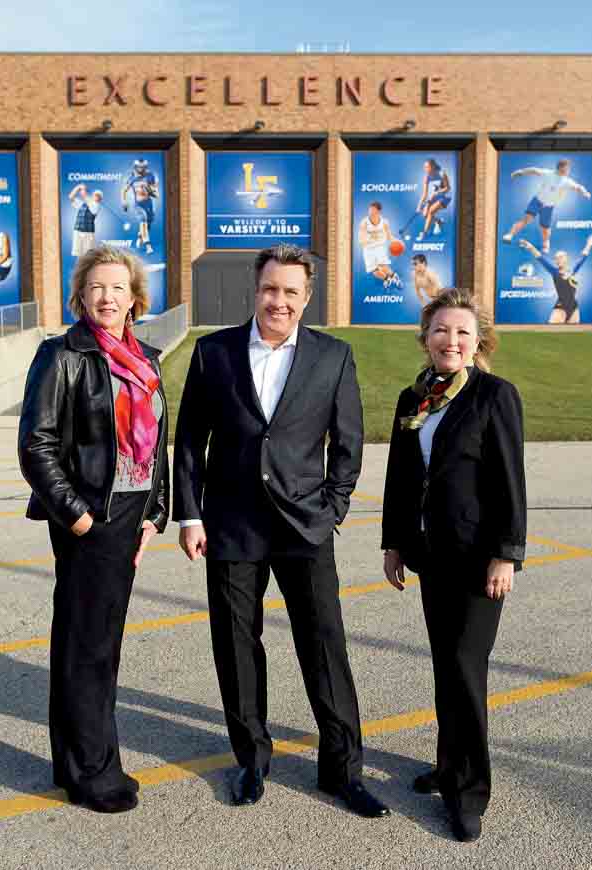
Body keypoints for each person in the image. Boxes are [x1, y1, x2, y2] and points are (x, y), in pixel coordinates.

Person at [174, 243, 388, 819]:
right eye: (271, 289)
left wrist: (333, 508)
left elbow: (349, 442)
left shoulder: (332, 356)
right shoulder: (212, 352)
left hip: (304, 526)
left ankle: (342, 770)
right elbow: (190, 442)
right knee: (237, 646)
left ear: (306, 297)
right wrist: (190, 515)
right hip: (231, 523)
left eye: (292, 292)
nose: (280, 301)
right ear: (256, 289)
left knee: (324, 646)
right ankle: (251, 760)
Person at [18, 244, 170, 815]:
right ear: (80, 295)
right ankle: (92, 772)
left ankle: (76, 760)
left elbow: (159, 443)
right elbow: (36, 443)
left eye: (118, 287)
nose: (107, 297)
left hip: (131, 515)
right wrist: (77, 515)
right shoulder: (62, 355)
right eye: (96, 287)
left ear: (135, 298)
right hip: (90, 517)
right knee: (89, 646)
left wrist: (156, 514)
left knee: (96, 641)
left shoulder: (147, 359)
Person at [380, 287, 526, 843]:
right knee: (447, 666)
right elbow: (400, 476)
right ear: (426, 338)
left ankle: (468, 792)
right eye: (442, 330)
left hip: (477, 560)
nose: (452, 340)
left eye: (463, 332)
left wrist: (506, 553)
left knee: (466, 671)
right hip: (431, 556)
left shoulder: (494, 396)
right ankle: (447, 767)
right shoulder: (413, 397)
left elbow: (510, 480)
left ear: (479, 342)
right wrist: (394, 542)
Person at [501, 158, 591, 252]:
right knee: (526, 220)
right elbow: (534, 170)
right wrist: (521, 172)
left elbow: (578, 187)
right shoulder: (548, 173)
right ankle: (510, 235)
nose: (568, 171)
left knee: (544, 228)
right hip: (537, 201)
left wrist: (585, 192)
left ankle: (546, 243)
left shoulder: (567, 181)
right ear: (560, 168)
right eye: (567, 169)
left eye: (569, 169)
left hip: (548, 207)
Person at [518, 234, 592, 324]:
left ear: (566, 259)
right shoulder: (555, 272)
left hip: (574, 308)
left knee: (573, 336)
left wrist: (589, 244)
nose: (558, 260)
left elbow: (583, 257)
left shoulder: (573, 271)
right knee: (551, 332)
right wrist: (530, 247)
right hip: (560, 308)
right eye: (556, 258)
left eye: (560, 257)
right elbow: (540, 258)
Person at [358, 201, 403, 290]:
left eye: (373, 210)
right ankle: (387, 279)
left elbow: (389, 236)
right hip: (368, 249)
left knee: (382, 265)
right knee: (374, 271)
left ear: (378, 211)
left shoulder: (384, 222)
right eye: (369, 210)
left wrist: (397, 241)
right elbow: (361, 238)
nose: (370, 212)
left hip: (380, 247)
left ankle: (396, 278)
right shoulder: (364, 222)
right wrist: (366, 240)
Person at [122, 159, 158, 256]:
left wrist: (150, 190)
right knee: (143, 222)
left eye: (143, 167)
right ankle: (148, 246)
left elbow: (156, 193)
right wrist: (124, 201)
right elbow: (124, 190)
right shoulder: (131, 177)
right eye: (139, 167)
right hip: (138, 205)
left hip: (148, 204)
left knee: (148, 224)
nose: (141, 169)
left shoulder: (150, 176)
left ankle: (140, 236)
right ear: (135, 167)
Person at [416, 158, 452, 240]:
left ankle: (424, 233)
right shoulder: (426, 177)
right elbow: (424, 194)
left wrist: (437, 192)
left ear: (432, 167)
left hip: (445, 197)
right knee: (425, 214)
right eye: (424, 167)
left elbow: (448, 188)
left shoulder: (442, 174)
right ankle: (438, 221)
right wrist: (419, 206)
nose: (425, 169)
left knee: (431, 211)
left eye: (427, 167)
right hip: (434, 198)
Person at [69, 184, 104, 257]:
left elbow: (84, 196)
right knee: (78, 254)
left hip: (88, 234)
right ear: (92, 195)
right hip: (78, 231)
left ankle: (87, 268)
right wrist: (78, 187)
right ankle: (80, 268)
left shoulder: (97, 206)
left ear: (100, 199)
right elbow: (71, 197)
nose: (96, 196)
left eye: (99, 196)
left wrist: (82, 188)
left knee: (88, 255)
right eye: (95, 194)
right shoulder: (82, 204)